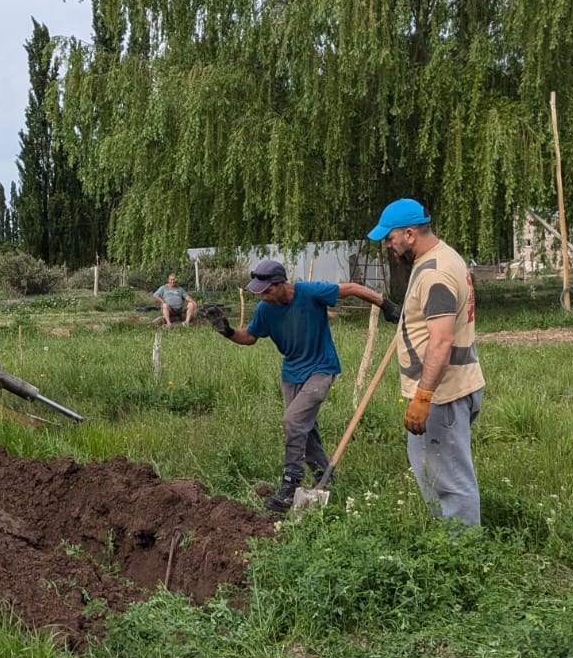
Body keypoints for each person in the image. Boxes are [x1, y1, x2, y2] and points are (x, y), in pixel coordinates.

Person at [205, 259, 400, 511]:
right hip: (291, 374)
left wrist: (385, 304)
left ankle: (289, 486)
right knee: (304, 432)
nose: (262, 296)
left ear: (280, 284)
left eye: (266, 291)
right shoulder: (265, 309)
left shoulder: (309, 292)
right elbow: (250, 337)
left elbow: (351, 288)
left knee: (293, 421)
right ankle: (325, 480)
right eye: (258, 292)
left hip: (321, 368)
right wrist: (227, 331)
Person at [368, 198, 485, 526]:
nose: (387, 246)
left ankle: (462, 555)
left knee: (451, 482)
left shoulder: (435, 273)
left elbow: (442, 340)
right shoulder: (438, 258)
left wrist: (424, 397)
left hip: (442, 394)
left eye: (389, 239)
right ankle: (446, 539)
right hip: (446, 389)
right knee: (432, 470)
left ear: (409, 234)